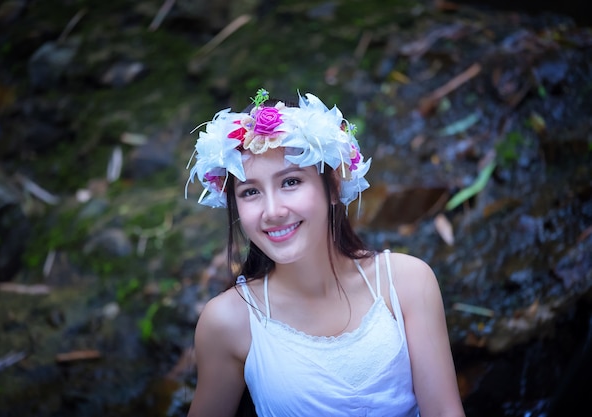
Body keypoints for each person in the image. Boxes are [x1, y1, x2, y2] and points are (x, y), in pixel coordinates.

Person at [185, 88, 466, 417]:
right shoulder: (228, 322)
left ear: (333, 186)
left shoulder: (405, 283)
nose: (273, 211)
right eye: (250, 192)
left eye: (290, 182)